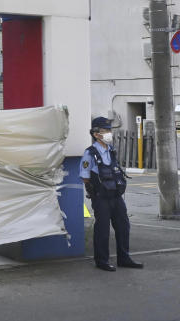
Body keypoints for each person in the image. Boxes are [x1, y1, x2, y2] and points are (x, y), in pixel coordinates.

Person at [80, 116, 143, 271]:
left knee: (123, 226)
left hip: (116, 196)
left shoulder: (111, 150)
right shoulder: (90, 153)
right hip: (101, 198)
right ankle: (102, 261)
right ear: (96, 133)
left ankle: (124, 258)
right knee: (102, 229)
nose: (109, 133)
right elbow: (85, 176)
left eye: (110, 130)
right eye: (106, 130)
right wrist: (96, 190)